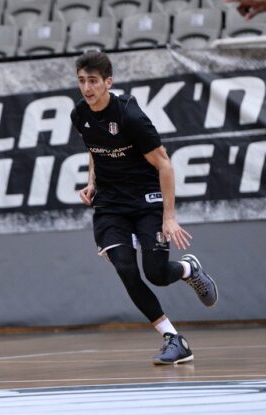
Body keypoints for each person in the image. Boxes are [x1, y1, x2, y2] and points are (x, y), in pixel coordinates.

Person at [71, 51, 218, 365]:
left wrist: (169, 217)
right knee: (125, 269)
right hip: (110, 204)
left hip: (146, 199)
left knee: (156, 274)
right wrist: (91, 181)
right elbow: (94, 148)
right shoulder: (80, 114)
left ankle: (188, 269)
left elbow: (164, 164)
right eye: (82, 81)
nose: (87, 88)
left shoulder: (131, 116)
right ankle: (173, 338)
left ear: (108, 82)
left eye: (93, 81)